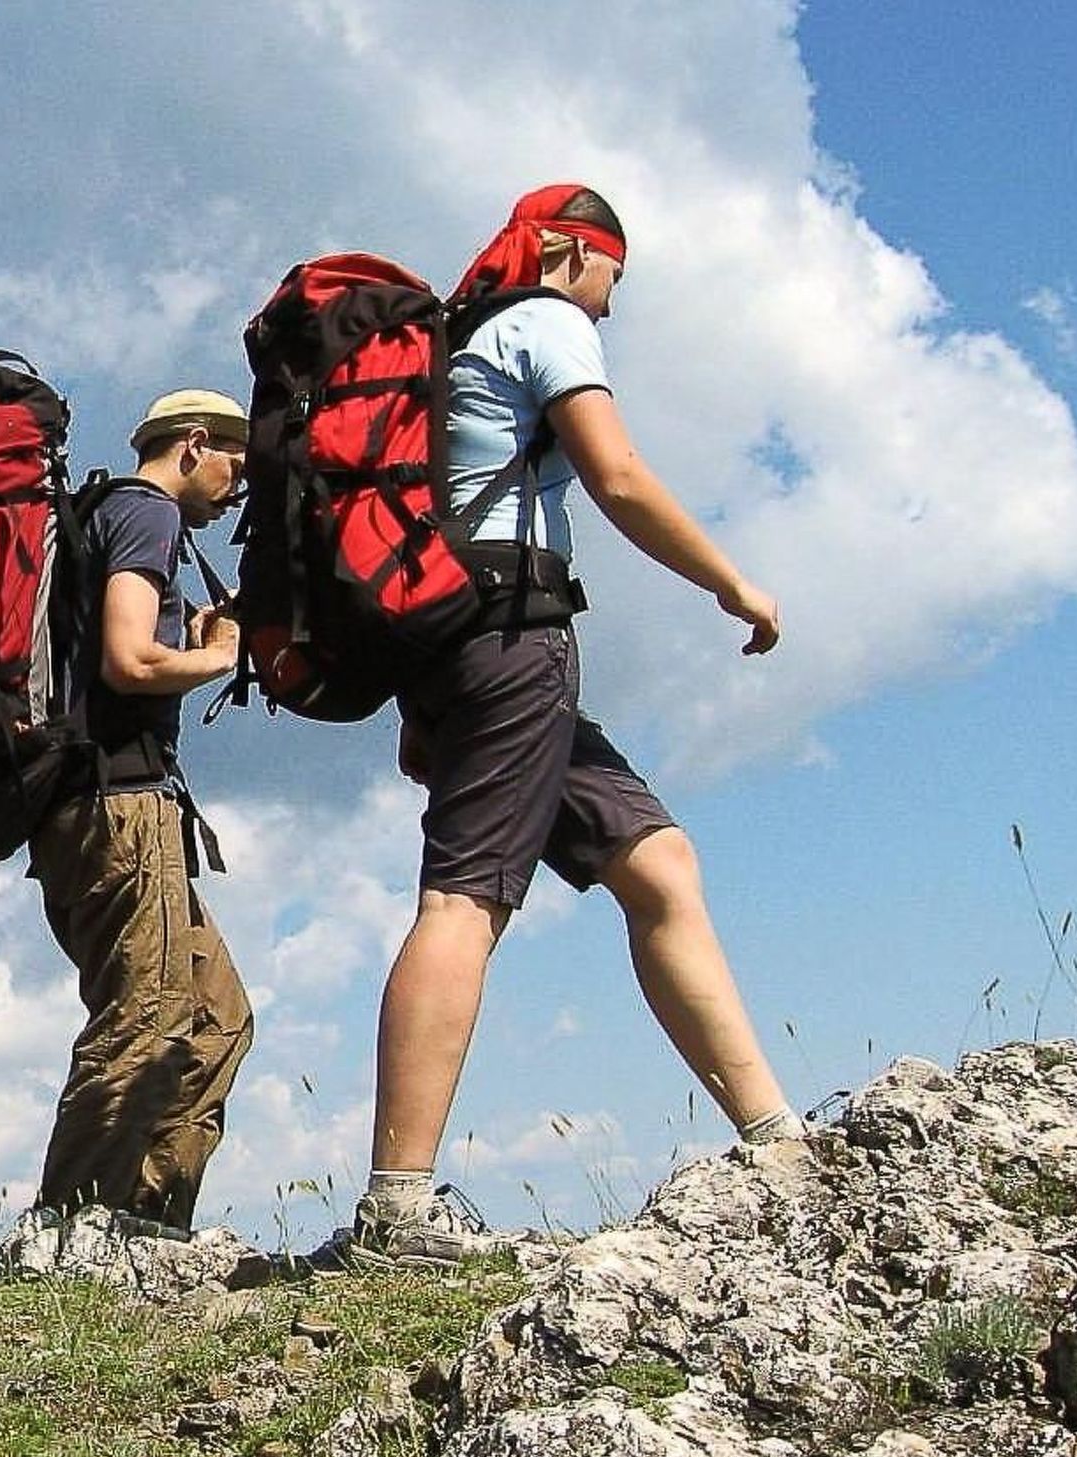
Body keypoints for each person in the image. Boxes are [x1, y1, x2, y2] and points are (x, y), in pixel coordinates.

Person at [344, 184, 803, 1267]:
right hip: (514, 636)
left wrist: (427, 702)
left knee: (658, 864)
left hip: (470, 647)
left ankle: (778, 1146)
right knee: (463, 898)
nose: (609, 302)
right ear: (567, 252)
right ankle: (393, 1209)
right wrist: (731, 584)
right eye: (611, 276)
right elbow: (617, 475)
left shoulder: (454, 350)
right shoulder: (541, 320)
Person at [24, 390, 259, 1237]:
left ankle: (146, 1227)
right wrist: (219, 653)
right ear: (194, 445)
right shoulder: (147, 513)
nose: (240, 486)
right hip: (120, 802)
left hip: (92, 803)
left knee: (217, 1016)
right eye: (238, 461)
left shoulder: (104, 516)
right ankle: (67, 1235)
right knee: (149, 1013)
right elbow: (128, 659)